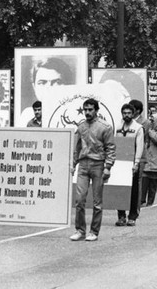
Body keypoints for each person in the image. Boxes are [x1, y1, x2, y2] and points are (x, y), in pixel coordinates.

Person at [70, 98, 116, 242]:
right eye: (85, 110)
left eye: (90, 109)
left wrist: (108, 167)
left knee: (97, 202)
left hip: (98, 164)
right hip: (83, 164)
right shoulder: (81, 126)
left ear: (96, 110)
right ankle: (80, 230)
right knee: (79, 200)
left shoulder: (105, 127)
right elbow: (77, 147)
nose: (87, 112)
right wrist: (73, 164)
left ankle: (94, 231)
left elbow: (111, 148)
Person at [21, 57, 74, 123]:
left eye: (57, 82)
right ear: (34, 87)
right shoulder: (28, 115)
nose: (49, 88)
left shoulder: (73, 113)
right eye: (42, 83)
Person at [116, 104, 144, 226]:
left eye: (129, 113)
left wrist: (136, 162)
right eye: (124, 113)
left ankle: (132, 216)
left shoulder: (138, 128)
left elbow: (140, 146)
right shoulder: (117, 127)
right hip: (120, 162)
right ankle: (121, 216)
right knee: (120, 189)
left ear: (133, 114)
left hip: (132, 162)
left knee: (133, 191)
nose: (126, 115)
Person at [140, 112, 157, 207]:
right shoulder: (148, 130)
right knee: (143, 182)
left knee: (153, 185)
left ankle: (150, 202)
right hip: (147, 160)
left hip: (155, 161)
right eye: (150, 120)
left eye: (152, 120)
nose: (150, 122)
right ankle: (141, 200)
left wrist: (150, 132)